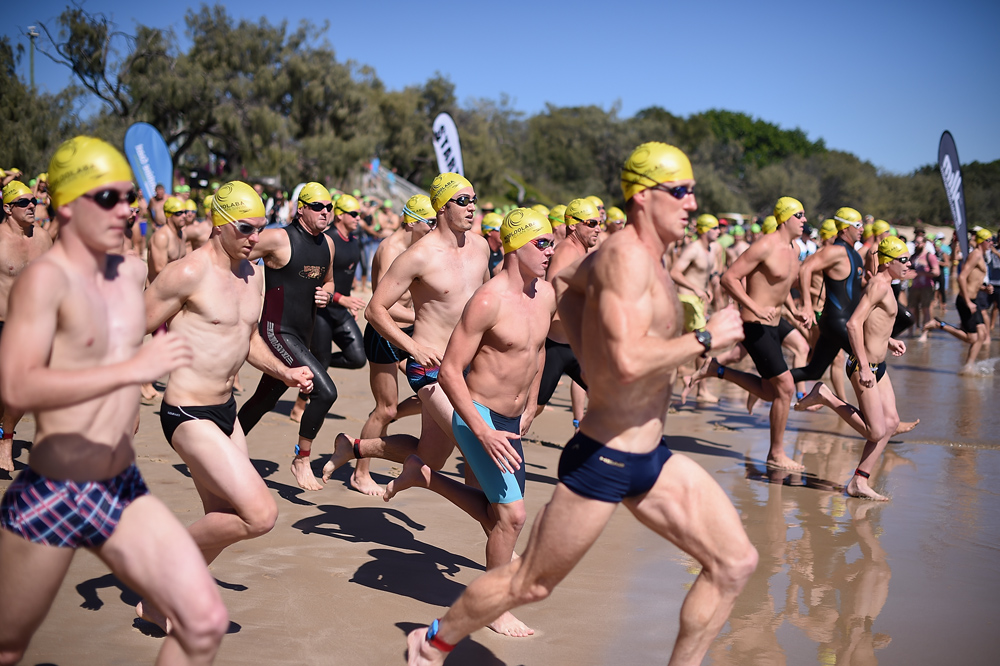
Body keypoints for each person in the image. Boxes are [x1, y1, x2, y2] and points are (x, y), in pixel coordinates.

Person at [403, 142, 756, 666]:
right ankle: (430, 644)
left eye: (692, 192)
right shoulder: (624, 261)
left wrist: (589, 344)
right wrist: (707, 339)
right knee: (529, 583)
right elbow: (630, 363)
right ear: (643, 198)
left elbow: (566, 284)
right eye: (680, 192)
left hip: (650, 456)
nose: (691, 203)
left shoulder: (643, 264)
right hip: (604, 459)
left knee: (734, 563)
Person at [0, 136, 228, 664]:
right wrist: (132, 369)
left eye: (128, 197)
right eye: (108, 198)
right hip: (56, 486)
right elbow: (16, 388)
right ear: (67, 205)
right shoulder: (45, 281)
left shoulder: (130, 272)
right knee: (8, 646)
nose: (126, 210)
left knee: (203, 623)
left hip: (119, 482)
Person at [138, 180, 314, 629]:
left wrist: (285, 371)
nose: (255, 238)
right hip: (187, 412)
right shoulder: (187, 273)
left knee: (220, 518)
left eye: (261, 228)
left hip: (226, 413)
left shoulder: (251, 272)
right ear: (219, 224)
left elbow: (247, 338)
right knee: (260, 514)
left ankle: (159, 602)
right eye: (246, 228)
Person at [381, 208, 556, 637]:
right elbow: (450, 372)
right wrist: (481, 430)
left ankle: (425, 476)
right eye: (542, 243)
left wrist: (532, 402)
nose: (551, 251)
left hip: (511, 422)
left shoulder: (545, 294)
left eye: (552, 242)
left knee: (499, 515)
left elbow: (538, 350)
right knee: (512, 517)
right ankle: (494, 606)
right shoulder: (488, 300)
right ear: (515, 247)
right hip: (478, 416)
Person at [324, 173, 489, 480]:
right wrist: (413, 347)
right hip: (431, 366)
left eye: (474, 201)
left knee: (432, 457)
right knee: (475, 444)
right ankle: (497, 522)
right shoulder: (417, 256)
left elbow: (490, 302)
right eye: (463, 201)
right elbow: (375, 310)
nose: (472, 208)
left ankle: (355, 447)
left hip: (467, 365)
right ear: (441, 207)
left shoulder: (480, 248)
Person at [237, 182, 340, 491]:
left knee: (263, 399)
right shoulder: (279, 238)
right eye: (318, 207)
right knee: (325, 392)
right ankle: (301, 459)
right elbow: (232, 253)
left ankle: (224, 446)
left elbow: (331, 281)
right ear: (301, 209)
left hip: (301, 333)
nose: (325, 212)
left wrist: (327, 293)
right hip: (275, 331)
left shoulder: (328, 245)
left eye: (329, 207)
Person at [795, 236, 914, 500]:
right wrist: (863, 366)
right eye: (903, 259)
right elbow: (852, 324)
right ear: (888, 262)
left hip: (877, 364)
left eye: (908, 259)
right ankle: (825, 396)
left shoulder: (886, 285)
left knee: (891, 422)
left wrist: (889, 340)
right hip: (864, 365)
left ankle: (859, 481)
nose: (908, 264)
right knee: (875, 430)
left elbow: (873, 321)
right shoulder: (879, 286)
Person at [697, 197, 810, 470]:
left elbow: (781, 288)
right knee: (785, 388)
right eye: (800, 215)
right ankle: (776, 454)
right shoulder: (765, 246)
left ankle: (717, 369)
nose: (804, 220)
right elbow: (729, 278)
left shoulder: (794, 249)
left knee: (772, 393)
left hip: (774, 323)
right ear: (785, 219)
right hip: (754, 324)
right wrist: (754, 307)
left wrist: (795, 311)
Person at [342, 195, 434, 495]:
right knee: (385, 408)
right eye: (430, 222)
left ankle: (389, 422)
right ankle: (360, 471)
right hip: (385, 334)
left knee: (433, 393)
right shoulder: (390, 249)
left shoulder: (419, 248)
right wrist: (423, 315)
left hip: (410, 334)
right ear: (411, 221)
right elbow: (383, 307)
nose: (435, 228)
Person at [0, 181, 53, 471]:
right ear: (8, 208)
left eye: (33, 200)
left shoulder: (43, 239)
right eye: (23, 202)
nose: (32, 205)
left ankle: (6, 440)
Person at [534, 198, 599, 428]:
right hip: (557, 344)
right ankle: (494, 442)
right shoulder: (567, 252)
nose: (597, 229)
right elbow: (552, 293)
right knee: (534, 407)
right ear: (573, 225)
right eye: (591, 223)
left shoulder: (580, 252)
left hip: (574, 345)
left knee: (606, 396)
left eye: (599, 223)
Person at [790, 207, 866, 382]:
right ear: (845, 229)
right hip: (836, 322)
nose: (862, 229)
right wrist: (807, 305)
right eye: (858, 225)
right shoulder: (836, 251)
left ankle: (770, 382)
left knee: (813, 372)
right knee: (871, 362)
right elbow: (805, 269)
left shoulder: (854, 254)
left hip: (840, 322)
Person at [922, 228, 994, 373]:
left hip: (974, 300)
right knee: (971, 338)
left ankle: (968, 366)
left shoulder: (982, 255)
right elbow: (962, 277)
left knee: (981, 335)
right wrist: (967, 302)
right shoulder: (976, 255)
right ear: (982, 241)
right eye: (988, 240)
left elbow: (972, 280)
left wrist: (983, 289)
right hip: (966, 301)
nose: (991, 243)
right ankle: (939, 324)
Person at [672, 213, 721, 403]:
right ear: (704, 230)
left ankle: (680, 375)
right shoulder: (693, 249)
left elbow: (709, 273)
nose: (718, 231)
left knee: (685, 341)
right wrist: (695, 288)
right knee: (703, 342)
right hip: (686, 298)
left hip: (698, 299)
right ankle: (701, 389)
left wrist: (711, 287)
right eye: (715, 228)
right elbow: (674, 272)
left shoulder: (712, 248)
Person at [148, 196, 188, 283]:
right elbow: (160, 270)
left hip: (174, 287)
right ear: (169, 215)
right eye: (179, 213)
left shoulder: (182, 235)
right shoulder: (161, 237)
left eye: (185, 212)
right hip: (157, 291)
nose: (184, 216)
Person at [910, 231, 940, 341]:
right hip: (914, 286)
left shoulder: (929, 256)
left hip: (926, 287)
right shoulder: (913, 256)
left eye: (918, 243)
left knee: (925, 309)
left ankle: (925, 333)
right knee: (912, 308)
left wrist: (921, 273)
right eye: (915, 243)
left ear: (924, 243)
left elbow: (936, 272)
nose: (916, 245)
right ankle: (912, 332)